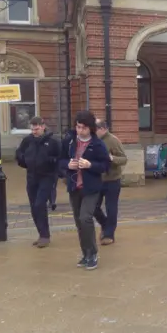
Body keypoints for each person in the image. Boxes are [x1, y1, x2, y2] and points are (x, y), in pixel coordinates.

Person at [59, 111, 110, 270]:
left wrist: (90, 165)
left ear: (91, 129)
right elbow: (59, 160)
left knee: (85, 218)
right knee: (79, 223)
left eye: (83, 128)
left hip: (91, 188)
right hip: (74, 187)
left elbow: (105, 166)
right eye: (78, 127)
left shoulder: (98, 144)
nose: (80, 131)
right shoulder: (69, 141)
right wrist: (67, 164)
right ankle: (86, 254)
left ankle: (93, 253)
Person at [15, 117, 61, 248]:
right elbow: (19, 153)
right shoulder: (28, 140)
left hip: (47, 177)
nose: (34, 132)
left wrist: (51, 162)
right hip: (31, 177)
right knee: (34, 206)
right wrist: (24, 160)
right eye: (32, 129)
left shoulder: (53, 141)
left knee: (40, 204)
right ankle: (42, 234)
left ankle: (45, 236)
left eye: (36, 129)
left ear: (43, 127)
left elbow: (60, 157)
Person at [94, 119, 127, 245]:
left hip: (112, 179)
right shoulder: (93, 140)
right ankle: (104, 224)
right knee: (93, 206)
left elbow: (124, 159)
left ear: (103, 129)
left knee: (111, 207)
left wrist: (112, 158)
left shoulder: (113, 140)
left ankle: (109, 234)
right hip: (97, 179)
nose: (93, 131)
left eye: (95, 129)